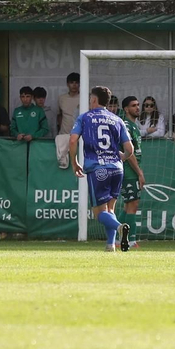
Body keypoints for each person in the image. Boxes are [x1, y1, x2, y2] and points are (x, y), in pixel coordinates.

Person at [70, 85, 137, 252]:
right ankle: (110, 245)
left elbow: (72, 141)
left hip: (98, 168)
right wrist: (120, 157)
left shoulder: (84, 118)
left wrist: (74, 161)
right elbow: (130, 149)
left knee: (99, 213)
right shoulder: (117, 119)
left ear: (93, 100)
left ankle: (120, 227)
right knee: (110, 208)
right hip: (116, 168)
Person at [117, 96, 149, 249]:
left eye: (138, 105)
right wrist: (139, 172)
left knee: (128, 205)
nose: (137, 108)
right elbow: (128, 153)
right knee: (133, 205)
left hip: (130, 171)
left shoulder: (134, 126)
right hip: (129, 171)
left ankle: (119, 240)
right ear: (126, 109)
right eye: (133, 105)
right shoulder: (126, 126)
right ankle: (130, 240)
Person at [55, 73, 81, 168]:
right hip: (64, 134)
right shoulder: (61, 98)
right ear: (67, 84)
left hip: (80, 137)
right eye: (71, 82)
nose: (74, 85)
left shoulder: (85, 98)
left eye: (76, 82)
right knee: (64, 162)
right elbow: (59, 115)